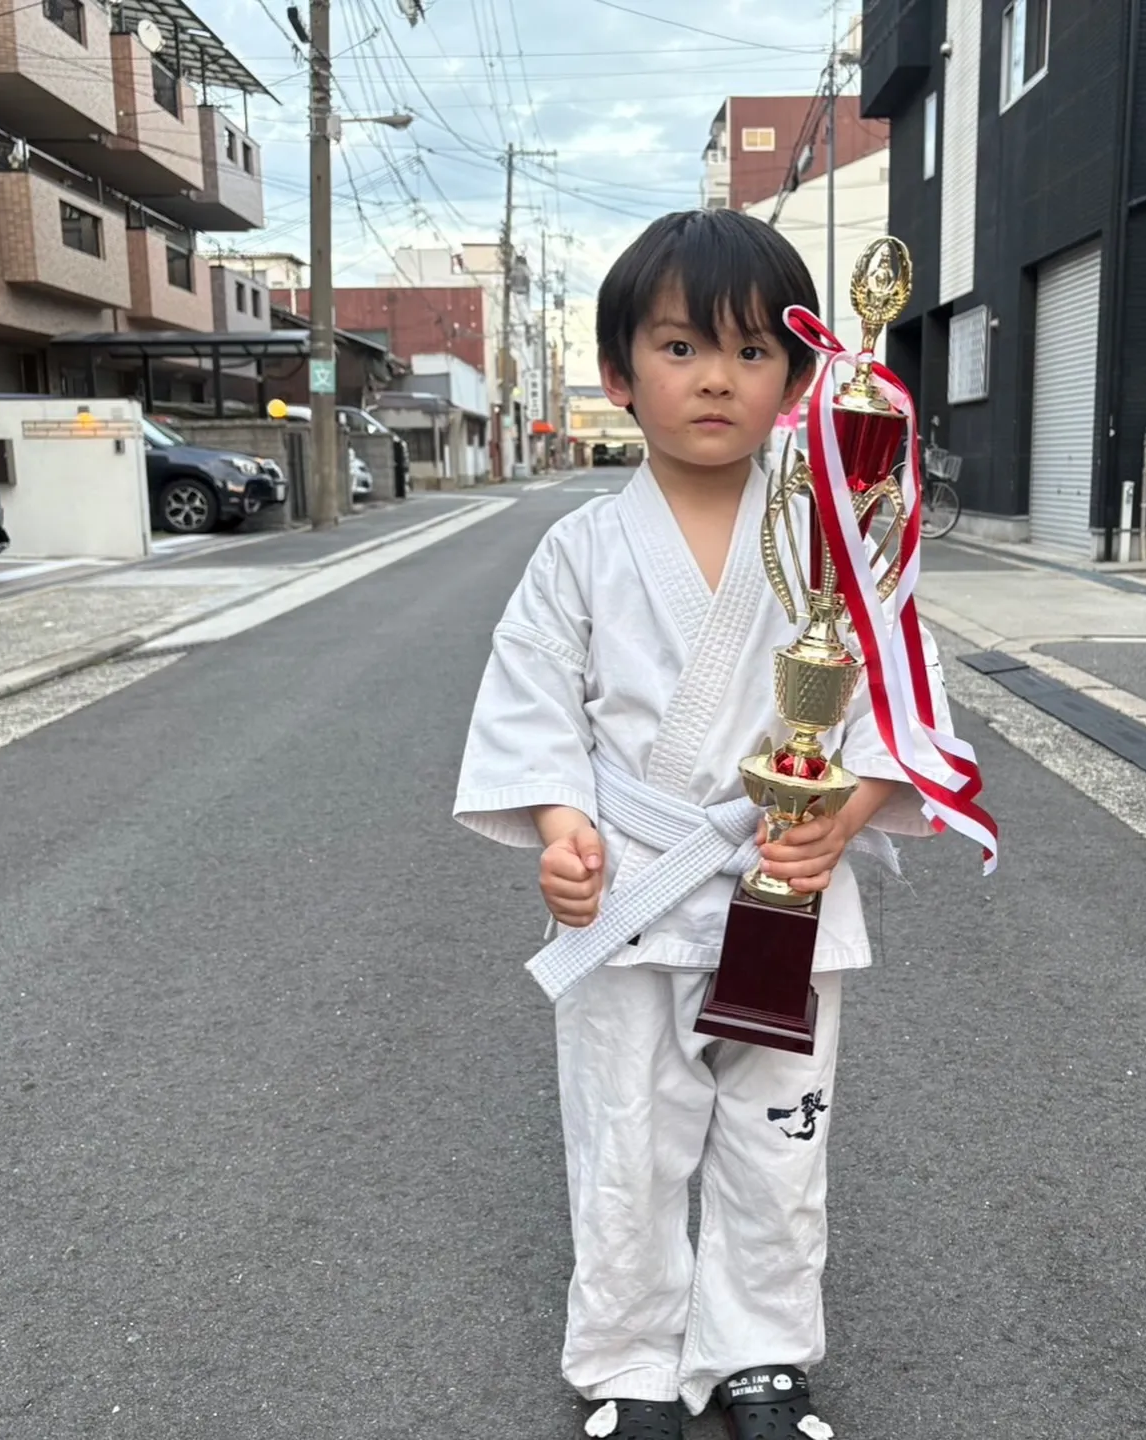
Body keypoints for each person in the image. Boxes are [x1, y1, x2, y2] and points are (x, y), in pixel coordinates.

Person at [454, 208, 955, 1440]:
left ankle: (761, 1354)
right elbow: (534, 704)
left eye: (750, 349)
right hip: (637, 881)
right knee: (627, 1137)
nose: (717, 377)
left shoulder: (847, 537)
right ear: (619, 374)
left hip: (786, 880)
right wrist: (564, 829)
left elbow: (902, 698)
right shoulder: (577, 549)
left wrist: (849, 806)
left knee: (779, 1138)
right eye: (679, 348)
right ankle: (628, 1361)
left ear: (799, 377)